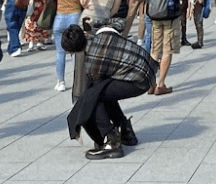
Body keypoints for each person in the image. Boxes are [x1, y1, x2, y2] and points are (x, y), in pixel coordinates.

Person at [63, 23, 156, 159]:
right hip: (148, 70)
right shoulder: (102, 35)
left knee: (94, 96)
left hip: (139, 81)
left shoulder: (92, 62)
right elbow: (118, 26)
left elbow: (92, 91)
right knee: (103, 92)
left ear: (73, 51)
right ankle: (126, 132)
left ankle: (112, 142)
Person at [147, 0, 193, 95]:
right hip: (171, 15)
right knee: (167, 50)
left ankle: (151, 82)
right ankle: (161, 84)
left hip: (154, 14)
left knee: (155, 49)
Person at [51, 0, 88, 93]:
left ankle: (60, 82)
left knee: (60, 53)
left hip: (59, 17)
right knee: (75, 52)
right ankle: (76, 80)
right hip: (74, 16)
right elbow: (84, 1)